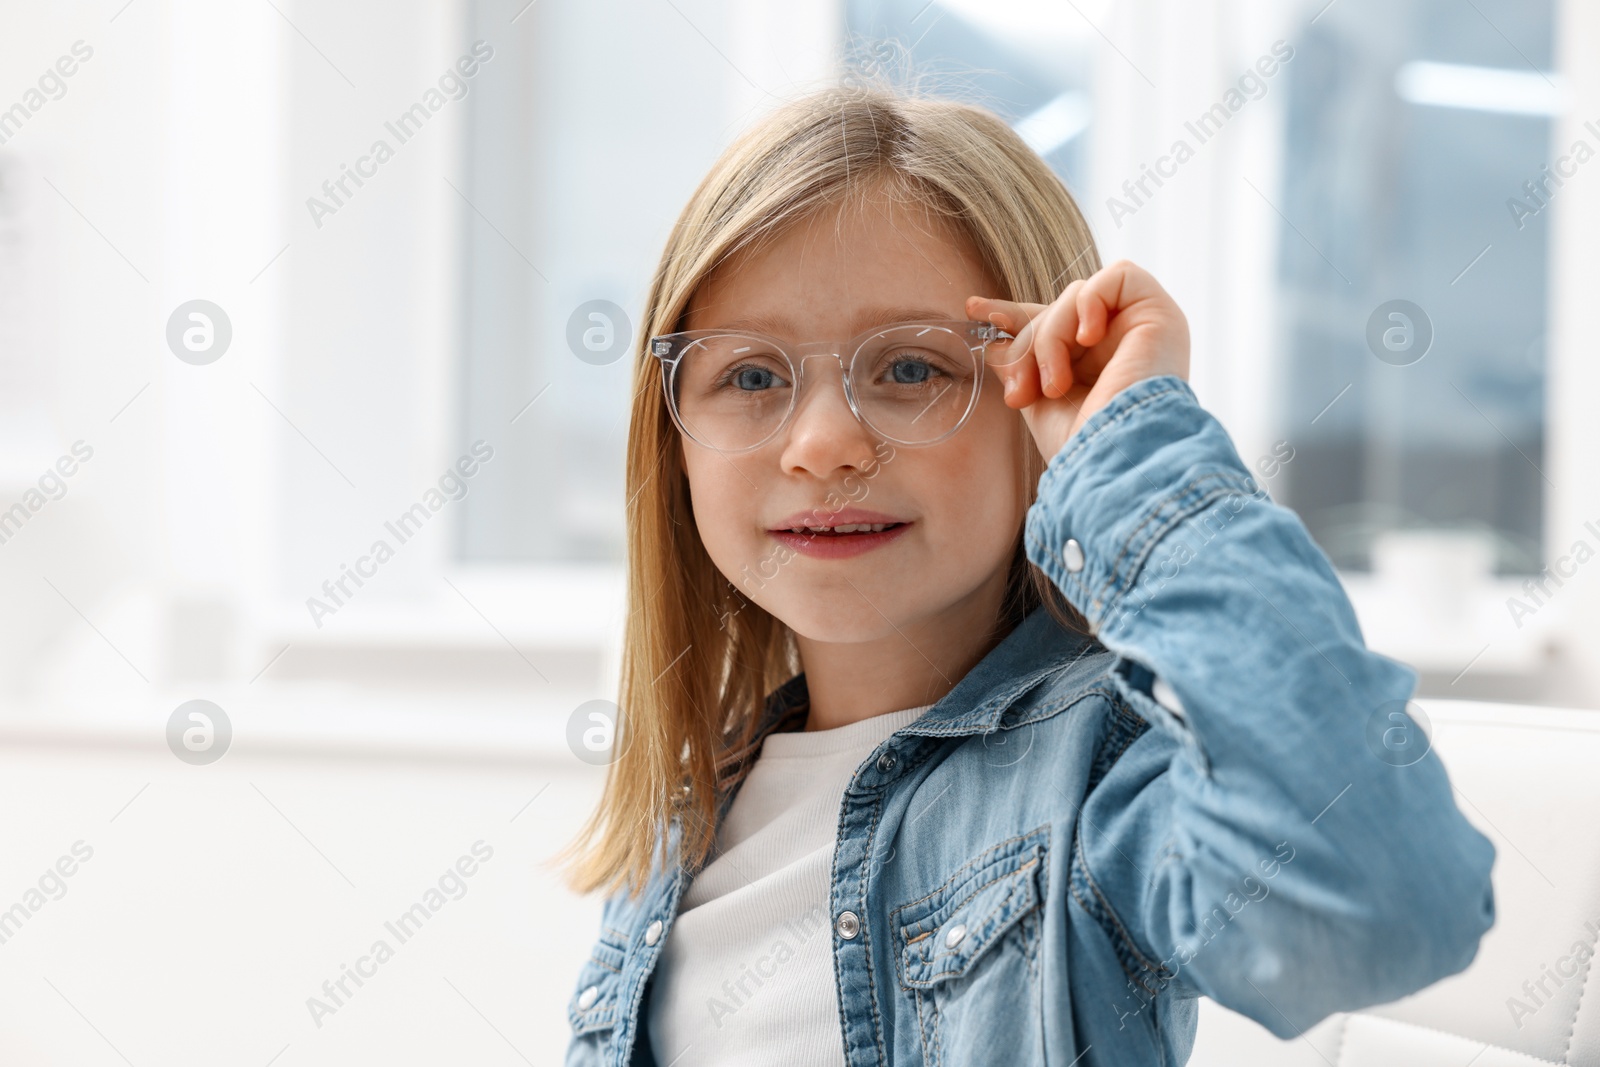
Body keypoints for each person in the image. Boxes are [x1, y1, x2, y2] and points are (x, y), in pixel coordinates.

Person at [552, 81, 1496, 1067]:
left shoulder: (1104, 776)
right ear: (677, 447)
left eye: (912, 369)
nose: (823, 444)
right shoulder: (689, 817)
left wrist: (1132, 455)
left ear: (1047, 404)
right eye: (750, 375)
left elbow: (1388, 903)